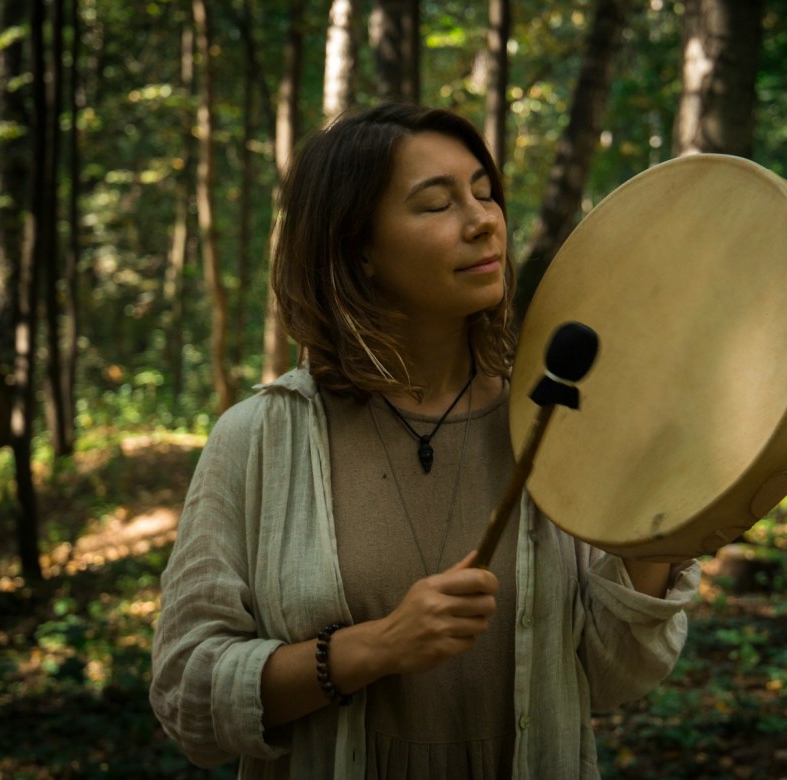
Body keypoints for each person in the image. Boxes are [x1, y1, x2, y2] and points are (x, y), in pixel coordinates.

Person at [149, 102, 700, 779]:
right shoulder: (260, 441)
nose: (482, 221)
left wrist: (660, 537)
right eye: (436, 205)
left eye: (483, 191)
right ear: (360, 252)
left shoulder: (554, 421)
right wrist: (374, 648)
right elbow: (186, 696)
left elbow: (616, 677)